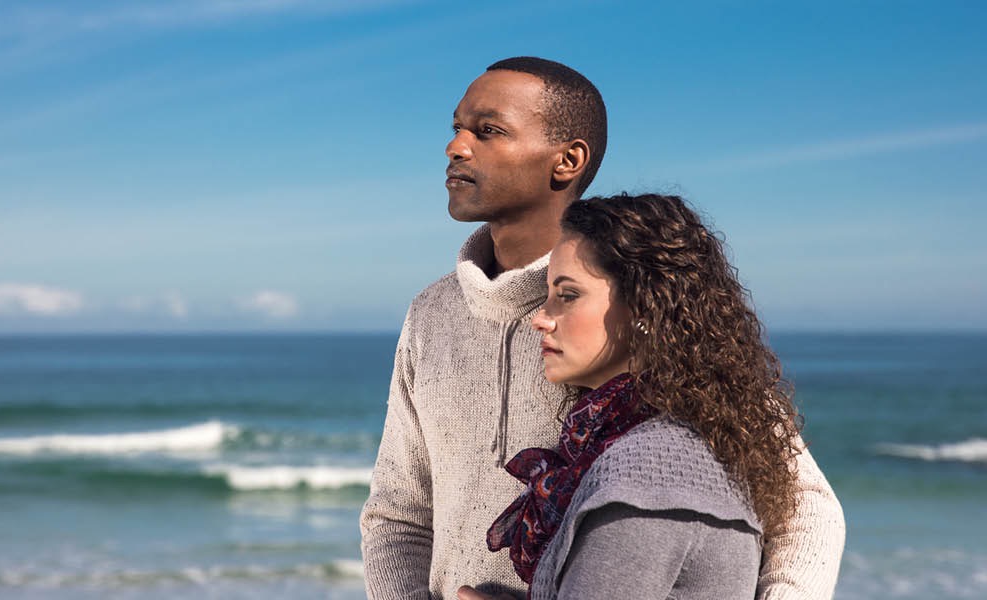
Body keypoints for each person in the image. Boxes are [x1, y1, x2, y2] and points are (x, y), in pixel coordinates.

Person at [360, 56, 845, 600]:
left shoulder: (644, 304)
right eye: (457, 128)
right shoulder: (431, 314)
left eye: (488, 131)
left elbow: (806, 515)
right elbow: (396, 515)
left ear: (567, 161)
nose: (456, 146)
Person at [469, 192, 802, 599]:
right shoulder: (659, 439)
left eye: (567, 295)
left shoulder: (650, 474)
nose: (541, 318)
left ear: (644, 310)